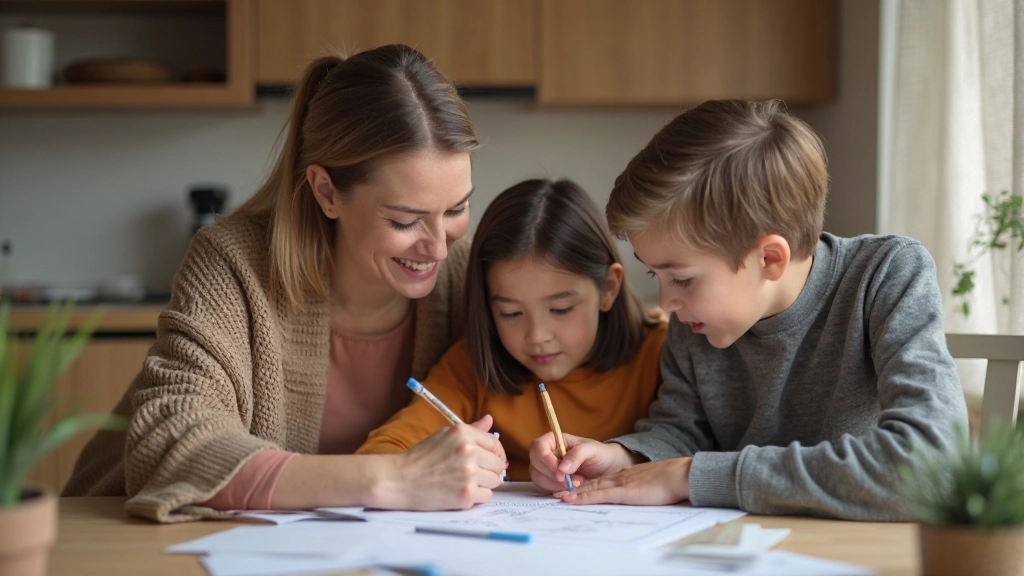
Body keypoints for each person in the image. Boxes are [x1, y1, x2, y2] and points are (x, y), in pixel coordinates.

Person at [63, 45, 507, 522]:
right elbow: (170, 439)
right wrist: (393, 479)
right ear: (326, 192)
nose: (439, 248)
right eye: (405, 221)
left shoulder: (468, 274)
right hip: (120, 538)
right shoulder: (233, 265)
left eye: (457, 209)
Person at [529, 99, 968, 521]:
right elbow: (683, 430)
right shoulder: (696, 318)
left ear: (770, 259)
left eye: (681, 278)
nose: (666, 303)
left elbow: (933, 467)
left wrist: (694, 475)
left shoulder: (887, 275)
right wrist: (622, 458)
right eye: (654, 276)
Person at [358, 179, 666, 480]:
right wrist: (436, 465)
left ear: (608, 289)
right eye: (511, 313)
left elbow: (700, 455)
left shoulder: (662, 355)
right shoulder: (472, 368)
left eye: (561, 309)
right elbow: (379, 454)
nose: (536, 336)